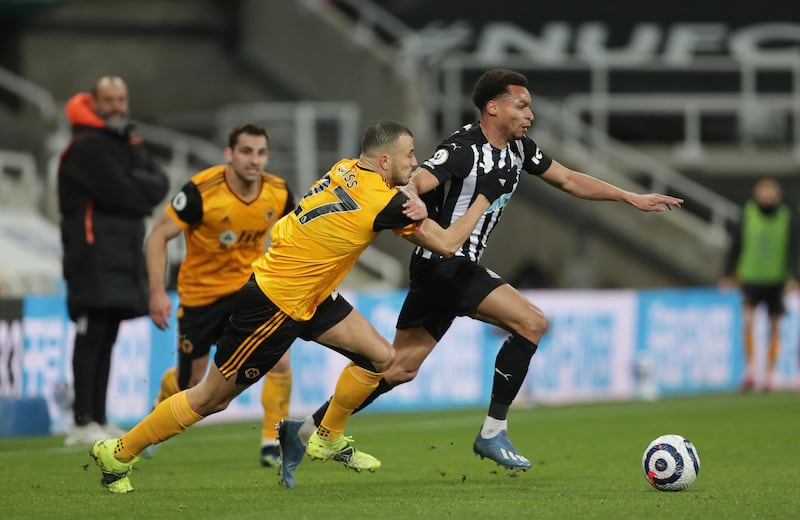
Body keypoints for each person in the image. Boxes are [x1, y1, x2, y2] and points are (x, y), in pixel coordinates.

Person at [279, 68, 684, 481]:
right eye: (521, 105)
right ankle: (494, 432)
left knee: (399, 368)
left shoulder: (520, 149)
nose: (530, 114)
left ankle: (305, 429)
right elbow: (410, 181)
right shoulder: (463, 148)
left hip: (441, 270)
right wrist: (412, 202)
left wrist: (630, 197)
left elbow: (567, 179)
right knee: (532, 321)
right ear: (493, 107)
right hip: (445, 264)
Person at [89, 120, 514, 493]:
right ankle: (118, 452)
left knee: (381, 356)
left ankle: (327, 435)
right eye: (409, 155)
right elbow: (446, 244)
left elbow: (375, 198)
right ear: (384, 160)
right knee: (209, 398)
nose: (415, 163)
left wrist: (412, 200)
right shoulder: (385, 203)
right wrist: (483, 198)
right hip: (275, 303)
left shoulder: (346, 168)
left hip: (311, 294)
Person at [145, 123, 296, 468]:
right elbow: (157, 236)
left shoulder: (278, 192)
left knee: (280, 359)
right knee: (191, 383)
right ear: (229, 154)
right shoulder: (202, 191)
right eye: (246, 151)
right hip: (201, 299)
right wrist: (156, 292)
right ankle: (158, 412)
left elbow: (299, 233)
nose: (254, 160)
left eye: (261, 153)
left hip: (250, 292)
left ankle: (272, 441)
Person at [58, 76, 169, 446]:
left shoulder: (125, 144)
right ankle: (80, 421)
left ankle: (99, 418)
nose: (118, 107)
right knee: (91, 333)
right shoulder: (86, 146)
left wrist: (132, 188)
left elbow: (159, 184)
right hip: (91, 254)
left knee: (107, 333)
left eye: (122, 99)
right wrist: (135, 191)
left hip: (120, 253)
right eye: (109, 100)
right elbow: (125, 193)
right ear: (94, 103)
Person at [718, 176, 798, 392]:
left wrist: (794, 276)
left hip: (776, 279)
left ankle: (771, 374)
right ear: (757, 194)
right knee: (748, 322)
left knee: (774, 326)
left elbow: (793, 248)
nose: (767, 197)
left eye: (771, 194)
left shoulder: (786, 217)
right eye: (764, 193)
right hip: (750, 277)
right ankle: (750, 371)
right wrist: (728, 274)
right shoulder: (747, 214)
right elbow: (735, 246)